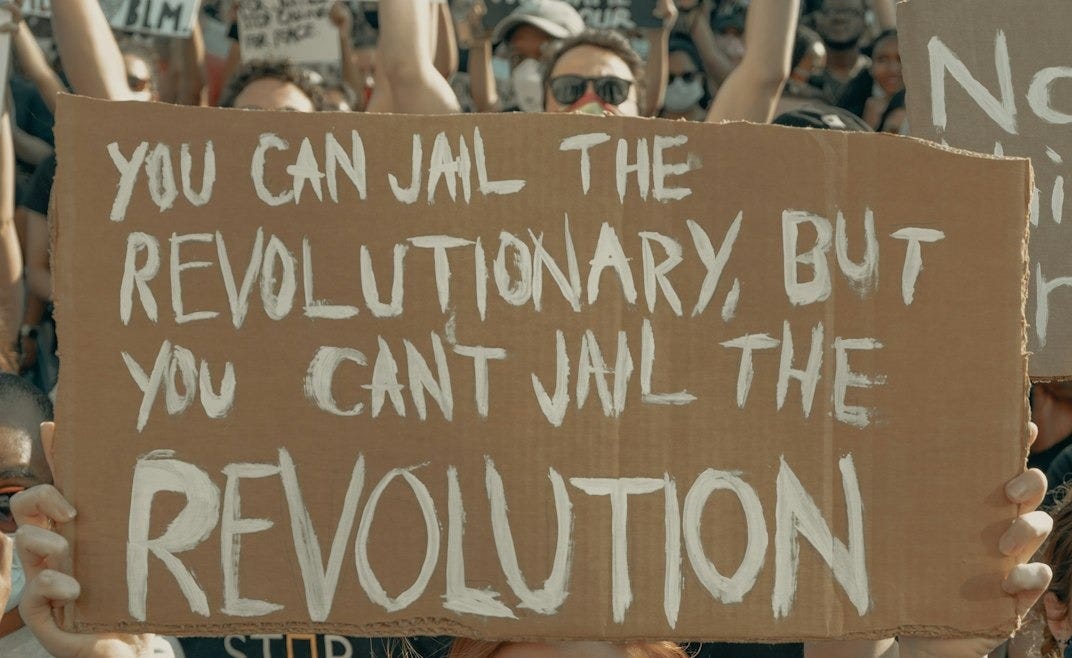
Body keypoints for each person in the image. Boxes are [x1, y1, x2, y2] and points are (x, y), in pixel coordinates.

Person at [807, 0, 869, 107]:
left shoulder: (877, 76)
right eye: (829, 11)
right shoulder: (801, 76)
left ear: (865, 20)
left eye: (850, 11)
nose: (840, 18)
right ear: (816, 19)